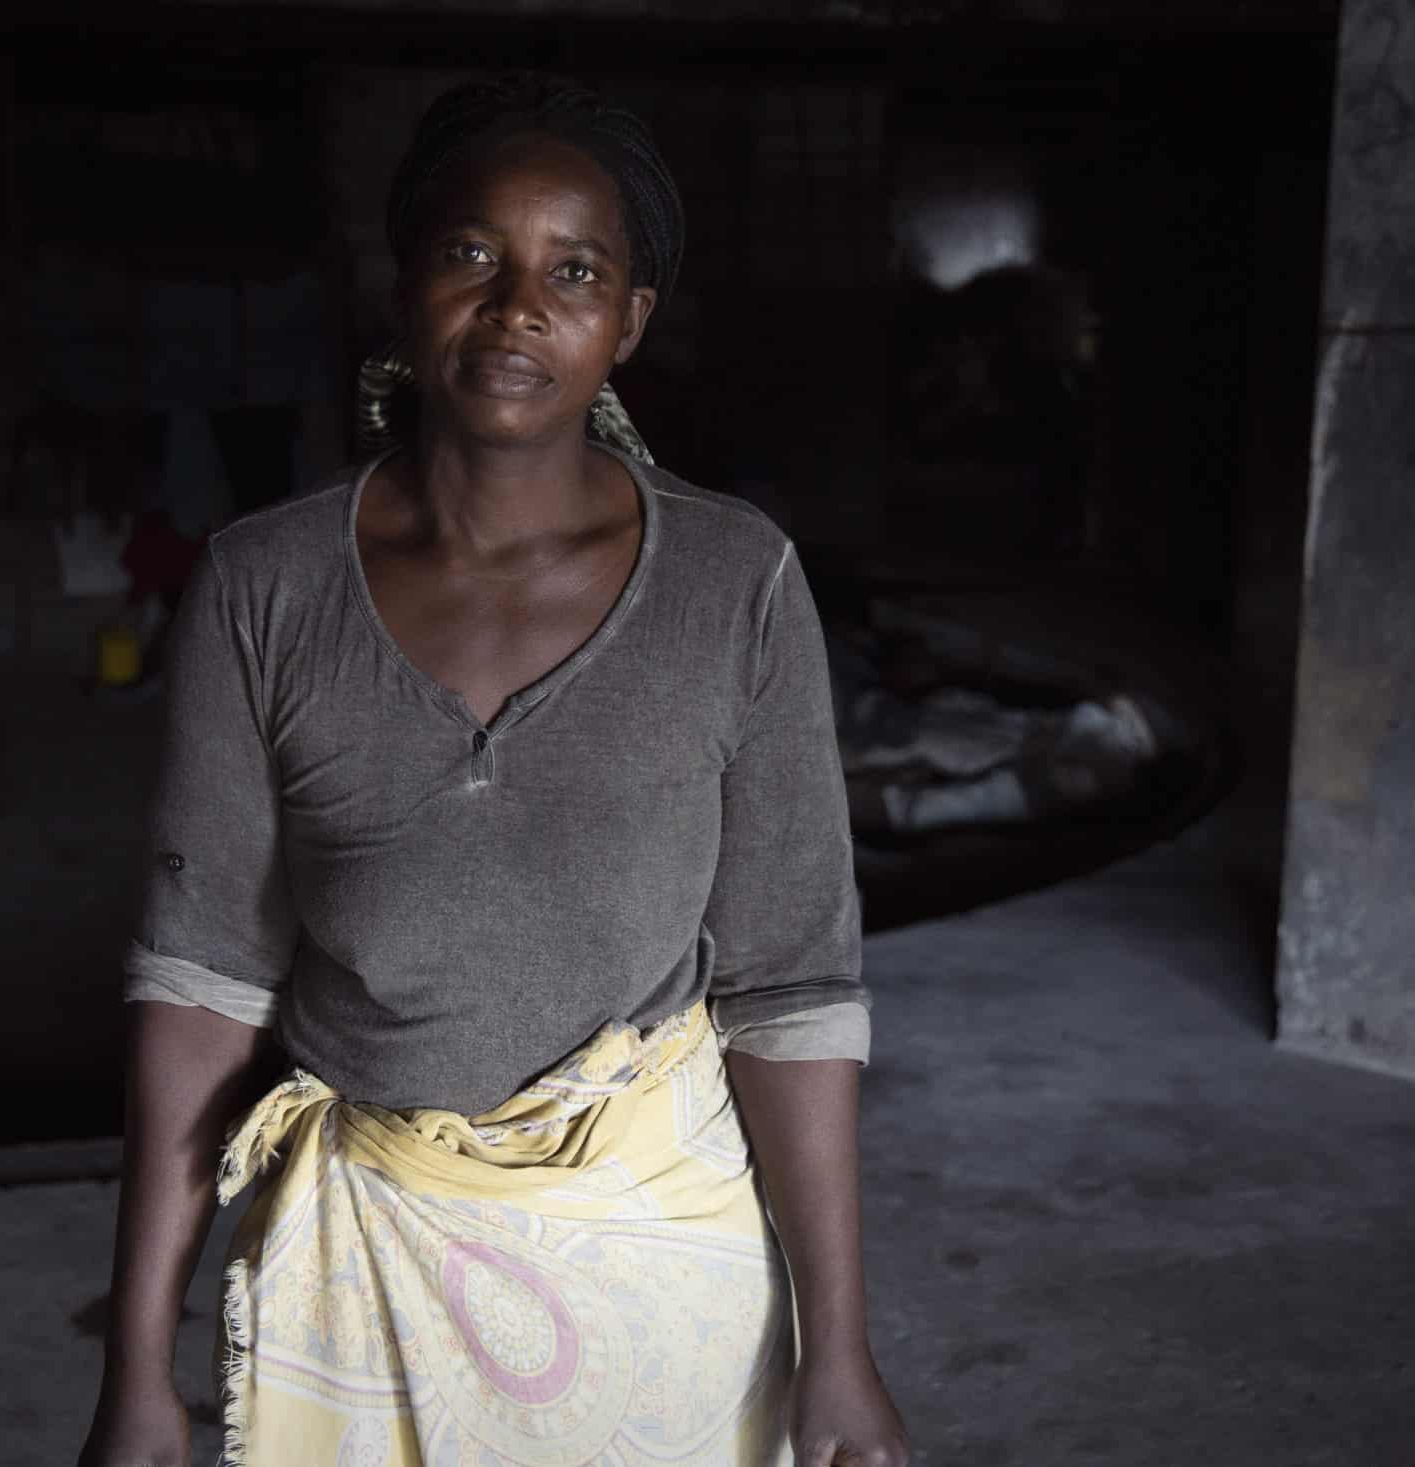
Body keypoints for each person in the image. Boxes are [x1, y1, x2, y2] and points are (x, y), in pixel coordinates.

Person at [79, 75, 910, 1467]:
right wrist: (136, 1368)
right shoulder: (261, 587)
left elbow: (793, 988)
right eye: (474, 252)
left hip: (665, 1266)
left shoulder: (735, 581)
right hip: (367, 1267)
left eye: (574, 270)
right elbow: (201, 984)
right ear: (403, 283)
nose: (519, 303)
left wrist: (842, 1352)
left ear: (627, 323)